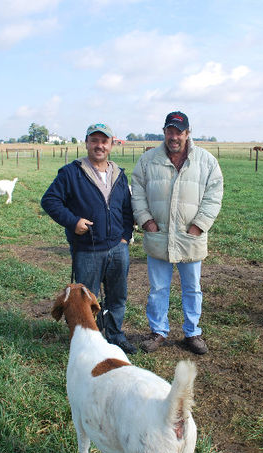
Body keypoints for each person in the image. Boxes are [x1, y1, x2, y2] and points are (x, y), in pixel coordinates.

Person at [131, 111, 224, 355]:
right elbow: (137, 192)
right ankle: (158, 331)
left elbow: (214, 195)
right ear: (164, 132)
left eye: (179, 132)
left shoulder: (205, 161)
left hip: (190, 237)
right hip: (158, 234)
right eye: (170, 131)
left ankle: (192, 333)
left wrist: (199, 224)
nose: (174, 137)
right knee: (158, 288)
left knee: (192, 288)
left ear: (187, 133)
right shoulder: (148, 160)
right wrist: (145, 220)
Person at [41, 123, 136, 354]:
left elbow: (126, 209)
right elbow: (50, 201)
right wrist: (73, 222)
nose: (99, 145)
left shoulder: (119, 174)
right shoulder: (71, 173)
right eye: (94, 140)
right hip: (87, 249)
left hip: (117, 248)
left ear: (111, 145)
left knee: (117, 296)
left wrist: (125, 236)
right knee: (86, 299)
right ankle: (89, 344)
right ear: (86, 143)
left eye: (104, 141)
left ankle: (115, 336)